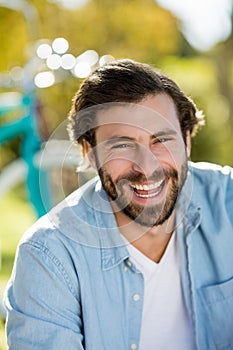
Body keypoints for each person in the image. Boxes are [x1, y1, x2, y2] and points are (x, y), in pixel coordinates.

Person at [4, 59, 233, 350]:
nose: (146, 167)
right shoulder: (49, 257)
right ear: (89, 152)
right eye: (121, 145)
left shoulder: (228, 201)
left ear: (186, 141)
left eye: (161, 139)